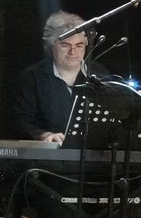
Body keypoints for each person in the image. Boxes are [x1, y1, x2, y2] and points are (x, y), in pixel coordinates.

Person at [12, 11, 105, 142]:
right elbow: (21, 122)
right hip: (49, 152)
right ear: (51, 45)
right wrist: (44, 135)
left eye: (79, 45)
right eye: (65, 45)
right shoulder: (32, 76)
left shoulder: (100, 73)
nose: (73, 52)